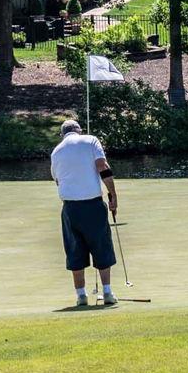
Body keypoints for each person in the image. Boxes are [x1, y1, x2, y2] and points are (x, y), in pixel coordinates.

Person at [50, 118, 117, 307]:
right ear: (79, 130)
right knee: (101, 246)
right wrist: (112, 194)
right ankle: (107, 292)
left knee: (75, 250)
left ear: (62, 134)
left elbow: (57, 180)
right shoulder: (91, 140)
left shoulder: (56, 151)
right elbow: (102, 166)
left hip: (70, 208)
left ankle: (81, 296)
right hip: (93, 204)